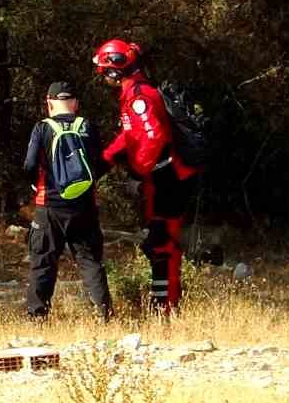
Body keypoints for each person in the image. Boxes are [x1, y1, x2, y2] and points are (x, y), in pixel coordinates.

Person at [92, 39, 198, 315]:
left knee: (162, 242)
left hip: (166, 177)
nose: (104, 77)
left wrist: (139, 170)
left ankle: (166, 306)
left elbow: (154, 136)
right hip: (160, 177)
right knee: (158, 241)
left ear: (116, 70)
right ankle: (163, 301)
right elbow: (131, 135)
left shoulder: (139, 96)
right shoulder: (133, 92)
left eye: (105, 71)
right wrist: (105, 159)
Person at [22, 81, 113, 320]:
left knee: (43, 261)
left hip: (49, 205)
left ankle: (38, 316)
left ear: (49, 103)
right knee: (90, 261)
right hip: (84, 206)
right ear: (75, 104)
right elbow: (102, 162)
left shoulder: (42, 128)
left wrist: (34, 183)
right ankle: (104, 314)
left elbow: (30, 164)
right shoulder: (87, 126)